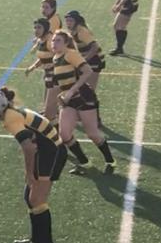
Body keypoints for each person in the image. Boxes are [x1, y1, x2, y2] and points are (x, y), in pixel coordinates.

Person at [0, 87, 63, 243]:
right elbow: (31, 145)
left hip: (51, 152)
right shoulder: (11, 113)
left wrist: (29, 172)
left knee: (36, 199)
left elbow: (28, 148)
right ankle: (36, 240)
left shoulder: (11, 118)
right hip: (45, 150)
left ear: (1, 105)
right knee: (29, 197)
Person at [49, 30, 114, 175]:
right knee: (65, 134)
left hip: (84, 97)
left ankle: (110, 161)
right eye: (53, 40)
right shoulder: (55, 58)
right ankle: (84, 162)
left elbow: (88, 71)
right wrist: (62, 95)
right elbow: (63, 82)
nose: (54, 43)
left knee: (92, 134)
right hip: (68, 100)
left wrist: (71, 91)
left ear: (66, 43)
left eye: (58, 40)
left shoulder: (71, 54)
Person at [22, 15, 59, 121]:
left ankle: (53, 117)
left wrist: (53, 69)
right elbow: (44, 58)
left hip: (55, 72)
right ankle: (50, 111)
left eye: (39, 27)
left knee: (52, 96)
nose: (36, 30)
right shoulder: (41, 39)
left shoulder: (50, 41)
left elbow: (59, 56)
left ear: (45, 29)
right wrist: (32, 68)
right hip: (49, 72)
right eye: (35, 27)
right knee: (48, 92)